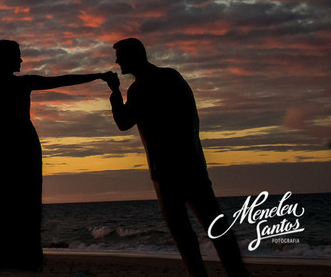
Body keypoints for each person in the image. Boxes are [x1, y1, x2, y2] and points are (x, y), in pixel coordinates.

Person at [0, 40, 114, 270]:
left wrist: (97, 75)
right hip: (15, 146)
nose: (21, 60)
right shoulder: (9, 84)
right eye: (18, 56)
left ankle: (20, 253)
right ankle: (15, 253)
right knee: (16, 199)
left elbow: (63, 80)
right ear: (6, 59)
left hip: (11, 145)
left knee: (13, 199)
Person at [106, 38, 249, 277]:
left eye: (120, 56)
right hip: (190, 163)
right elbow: (192, 120)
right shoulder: (171, 77)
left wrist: (114, 94)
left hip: (165, 170)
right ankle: (237, 273)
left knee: (185, 233)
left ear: (135, 56)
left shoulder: (140, 89)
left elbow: (123, 122)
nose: (117, 61)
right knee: (215, 226)